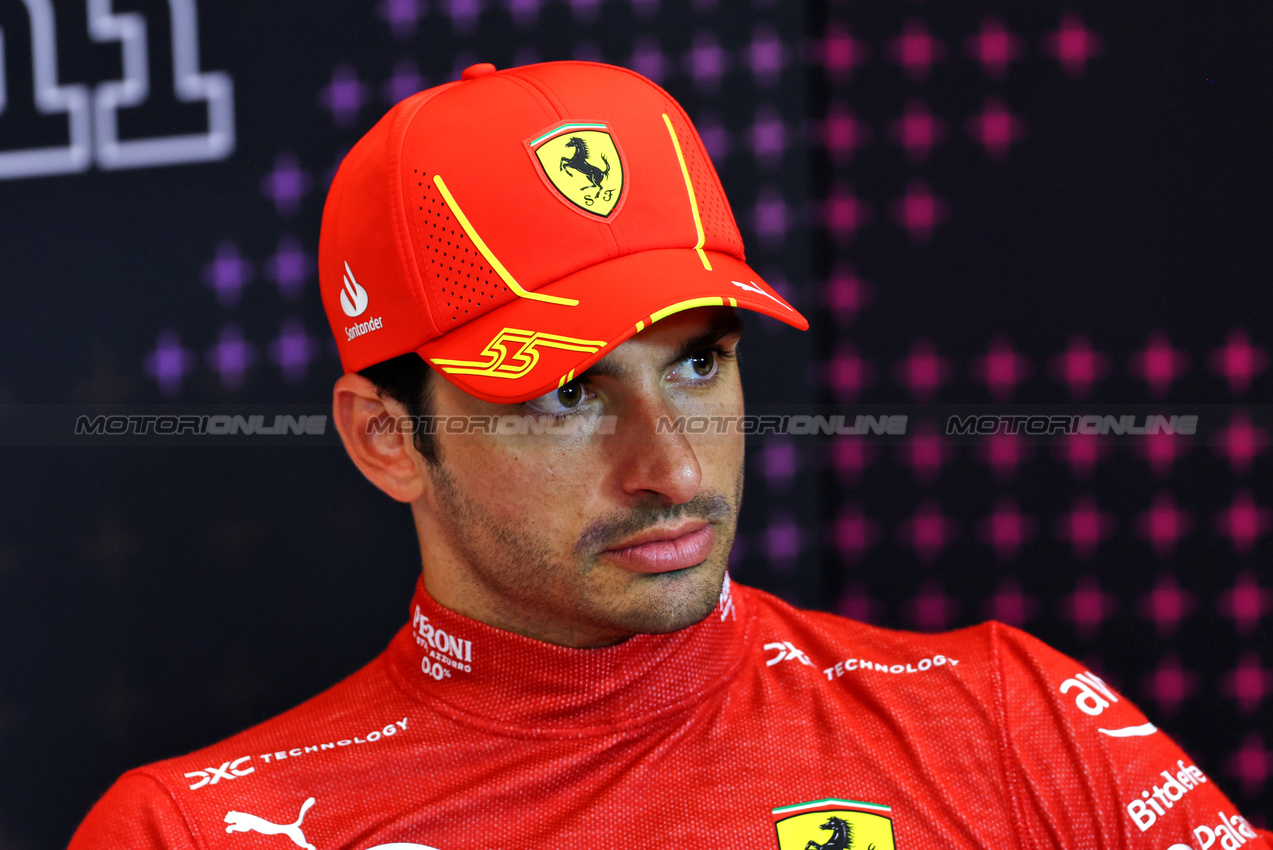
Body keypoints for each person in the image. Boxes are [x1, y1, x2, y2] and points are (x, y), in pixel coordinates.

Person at [70, 60, 1269, 850]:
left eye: (698, 363)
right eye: (565, 393)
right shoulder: (201, 831)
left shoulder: (1010, 720)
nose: (675, 468)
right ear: (389, 439)